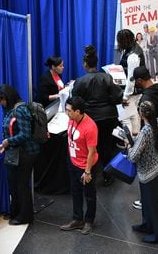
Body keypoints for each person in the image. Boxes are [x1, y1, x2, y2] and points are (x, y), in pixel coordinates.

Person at [72, 45, 123, 187]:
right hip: (108, 117)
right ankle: (107, 175)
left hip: (90, 120)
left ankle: (90, 173)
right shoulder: (107, 77)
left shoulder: (80, 81)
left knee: (90, 147)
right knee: (106, 146)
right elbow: (117, 96)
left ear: (84, 64)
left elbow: (75, 101)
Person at [130, 66, 158, 209]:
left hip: (152, 136)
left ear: (139, 80)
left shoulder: (145, 99)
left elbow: (146, 121)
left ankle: (147, 200)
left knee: (148, 167)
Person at [0, 84, 40, 225]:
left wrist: (8, 141)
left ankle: (25, 216)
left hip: (26, 153)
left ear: (7, 98)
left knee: (21, 185)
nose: (0, 103)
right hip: (15, 152)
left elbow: (25, 135)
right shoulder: (11, 110)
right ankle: (15, 211)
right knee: (14, 184)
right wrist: (6, 145)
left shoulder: (20, 110)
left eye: (1, 100)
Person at [127, 100, 158, 243]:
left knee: (152, 204)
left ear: (141, 113)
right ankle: (146, 225)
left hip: (149, 173)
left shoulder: (144, 132)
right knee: (148, 200)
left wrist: (128, 146)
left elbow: (133, 157)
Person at [60, 96, 99, 235]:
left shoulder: (90, 127)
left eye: (69, 110)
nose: (67, 113)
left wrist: (87, 171)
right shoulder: (72, 119)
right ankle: (77, 219)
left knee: (89, 195)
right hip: (73, 162)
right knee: (75, 192)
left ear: (78, 111)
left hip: (85, 166)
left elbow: (91, 152)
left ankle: (89, 221)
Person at [117, 29, 146, 135]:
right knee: (133, 115)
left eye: (119, 41)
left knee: (126, 117)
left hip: (132, 91)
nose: (118, 44)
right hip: (133, 91)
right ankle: (134, 142)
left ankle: (131, 143)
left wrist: (125, 96)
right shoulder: (131, 50)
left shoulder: (133, 55)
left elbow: (131, 78)